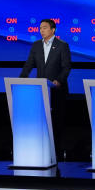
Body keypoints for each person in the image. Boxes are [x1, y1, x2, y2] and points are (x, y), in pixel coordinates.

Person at [19, 19, 72, 158]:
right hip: (41, 91)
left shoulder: (62, 45)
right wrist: (21, 79)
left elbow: (66, 67)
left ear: (53, 30)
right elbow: (29, 64)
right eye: (40, 28)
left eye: (44, 28)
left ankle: (57, 152)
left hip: (57, 90)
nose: (41, 30)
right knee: (41, 121)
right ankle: (42, 150)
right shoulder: (36, 45)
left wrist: (59, 80)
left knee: (57, 121)